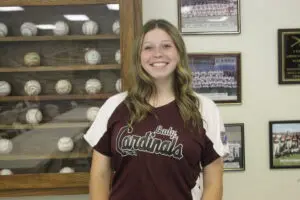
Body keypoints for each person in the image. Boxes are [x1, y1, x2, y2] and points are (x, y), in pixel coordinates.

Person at [84, 19, 228, 200]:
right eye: (148, 48)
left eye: (166, 46)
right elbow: (100, 174)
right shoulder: (114, 105)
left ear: (179, 52)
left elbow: (214, 179)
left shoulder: (204, 109)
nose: (157, 54)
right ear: (139, 56)